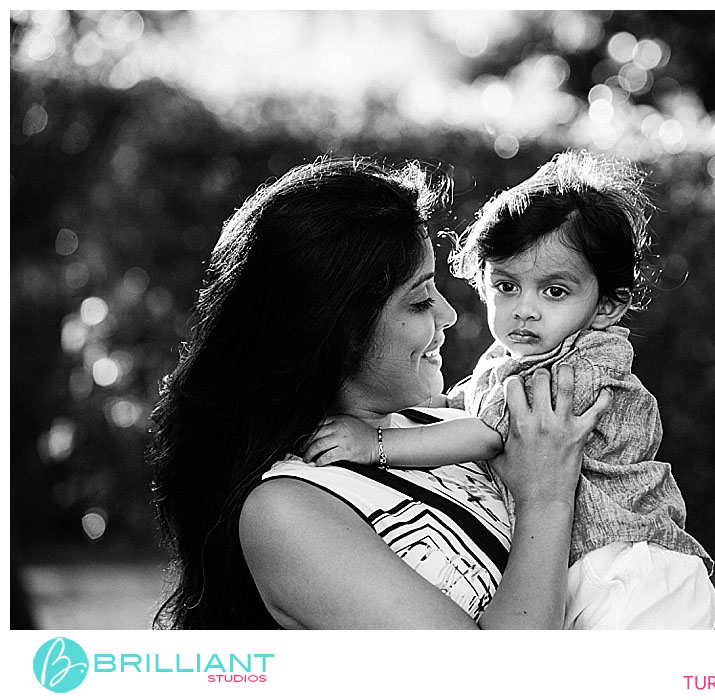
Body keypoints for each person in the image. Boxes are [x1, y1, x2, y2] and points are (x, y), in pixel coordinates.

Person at [148, 156, 610, 629]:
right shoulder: (290, 510)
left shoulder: (450, 425)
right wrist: (548, 498)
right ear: (337, 331)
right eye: (419, 299)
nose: (449, 315)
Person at [306, 151, 715, 629]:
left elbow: (485, 434)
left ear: (607, 306)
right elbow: (462, 409)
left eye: (555, 292)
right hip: (596, 569)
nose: (525, 309)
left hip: (631, 572)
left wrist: (374, 444)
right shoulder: (515, 360)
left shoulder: (577, 368)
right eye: (506, 286)